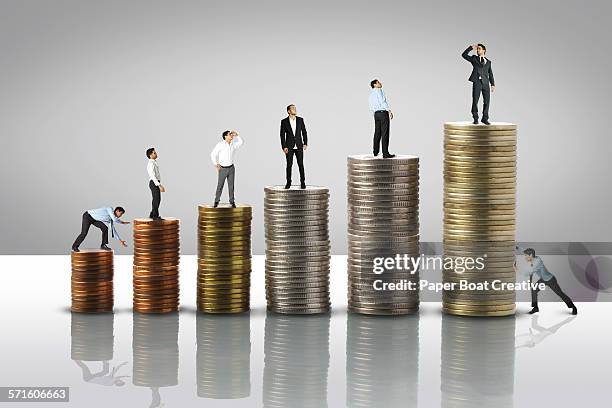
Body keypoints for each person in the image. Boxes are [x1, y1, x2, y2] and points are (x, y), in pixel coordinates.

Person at [516, 246, 578, 315]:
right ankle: (535, 308)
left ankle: (573, 307)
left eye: (526, 256)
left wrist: (515, 268)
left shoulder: (537, 262)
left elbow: (526, 273)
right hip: (543, 280)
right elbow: (525, 251)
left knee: (560, 294)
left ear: (530, 255)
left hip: (550, 280)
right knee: (534, 290)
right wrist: (517, 247)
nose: (525, 257)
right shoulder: (533, 257)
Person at [461, 43, 495, 125]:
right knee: (475, 100)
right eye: (477, 49)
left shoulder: (488, 62)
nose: (478, 50)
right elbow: (464, 55)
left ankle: (485, 118)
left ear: (484, 50)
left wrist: (492, 84)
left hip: (486, 83)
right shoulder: (474, 59)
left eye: (479, 49)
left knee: (487, 101)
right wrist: (471, 48)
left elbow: (490, 73)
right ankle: (475, 118)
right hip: (477, 82)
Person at [210, 130, 243, 208]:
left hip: (231, 168)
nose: (231, 135)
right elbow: (213, 154)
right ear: (225, 136)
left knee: (231, 186)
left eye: (231, 134)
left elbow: (241, 142)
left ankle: (232, 202)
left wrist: (237, 135)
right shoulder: (220, 145)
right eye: (229, 134)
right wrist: (216, 164)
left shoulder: (233, 145)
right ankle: (216, 201)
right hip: (223, 169)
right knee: (220, 185)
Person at [280, 104, 308, 189]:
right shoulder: (284, 121)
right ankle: (288, 183)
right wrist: (284, 146)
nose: (295, 109)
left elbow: (304, 132)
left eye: (295, 108)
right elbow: (282, 135)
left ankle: (303, 183)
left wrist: (305, 143)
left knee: (301, 164)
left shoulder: (300, 120)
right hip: (289, 146)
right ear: (289, 111)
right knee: (289, 165)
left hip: (299, 146)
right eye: (293, 108)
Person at [368, 79, 395, 158]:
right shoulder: (379, 90)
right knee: (385, 133)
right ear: (375, 85)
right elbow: (382, 101)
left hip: (376, 114)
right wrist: (389, 110)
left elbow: (370, 106)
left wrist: (375, 112)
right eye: (378, 82)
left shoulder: (370, 95)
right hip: (383, 113)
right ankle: (385, 153)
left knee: (377, 132)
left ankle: (375, 152)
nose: (380, 83)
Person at [146, 148, 165, 220]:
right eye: (154, 153)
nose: (156, 154)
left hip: (155, 182)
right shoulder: (150, 163)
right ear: (150, 155)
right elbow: (152, 176)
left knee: (157, 199)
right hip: (154, 183)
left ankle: (152, 214)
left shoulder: (154, 162)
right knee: (156, 199)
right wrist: (159, 185)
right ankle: (155, 216)